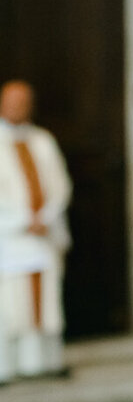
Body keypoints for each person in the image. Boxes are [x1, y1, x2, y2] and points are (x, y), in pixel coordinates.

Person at [0, 80, 72, 383]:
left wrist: (46, 215)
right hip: (9, 237)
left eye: (24, 102)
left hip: (42, 234)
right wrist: (20, 220)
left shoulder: (43, 141)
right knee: (10, 304)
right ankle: (7, 367)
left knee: (45, 301)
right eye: (13, 102)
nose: (19, 108)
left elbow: (59, 184)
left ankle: (44, 363)